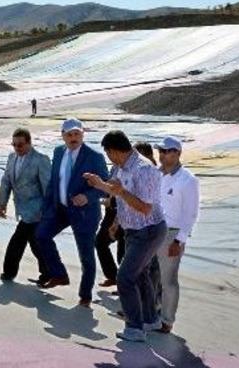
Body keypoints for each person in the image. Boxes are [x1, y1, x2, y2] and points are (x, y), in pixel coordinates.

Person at [84, 130, 165, 343]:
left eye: (109, 154)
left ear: (114, 151)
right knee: (140, 274)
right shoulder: (121, 167)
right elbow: (116, 190)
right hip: (132, 230)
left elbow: (146, 208)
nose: (109, 158)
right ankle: (150, 319)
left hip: (148, 230)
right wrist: (100, 184)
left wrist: (120, 193)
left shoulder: (144, 169)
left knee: (125, 277)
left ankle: (135, 327)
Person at [35, 118, 108, 307]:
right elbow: (53, 181)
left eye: (77, 134)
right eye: (69, 134)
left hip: (84, 214)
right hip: (60, 209)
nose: (73, 138)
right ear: (63, 136)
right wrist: (46, 207)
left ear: (83, 134)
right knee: (41, 235)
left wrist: (88, 196)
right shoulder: (58, 152)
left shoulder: (94, 157)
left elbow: (106, 187)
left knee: (86, 255)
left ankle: (85, 295)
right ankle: (59, 274)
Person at [154, 136, 200, 334]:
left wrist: (179, 240)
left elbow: (191, 212)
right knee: (150, 276)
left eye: (167, 151)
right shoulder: (157, 175)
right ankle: (152, 312)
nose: (162, 155)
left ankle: (167, 320)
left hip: (172, 234)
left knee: (168, 280)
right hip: (153, 230)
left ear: (178, 153)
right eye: (161, 151)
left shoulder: (187, 180)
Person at [96, 142, 156, 287]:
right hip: (113, 213)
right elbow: (112, 187)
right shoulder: (118, 166)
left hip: (131, 216)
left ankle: (129, 285)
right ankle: (115, 277)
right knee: (101, 243)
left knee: (124, 253)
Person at [0, 128, 51, 282]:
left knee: (18, 241)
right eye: (14, 145)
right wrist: (2, 204)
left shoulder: (41, 159)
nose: (16, 148)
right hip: (22, 209)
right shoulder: (11, 158)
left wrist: (48, 211)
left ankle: (9, 272)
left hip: (37, 211)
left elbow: (47, 187)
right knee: (35, 243)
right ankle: (49, 273)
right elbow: (6, 182)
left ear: (29, 143)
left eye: (20, 145)